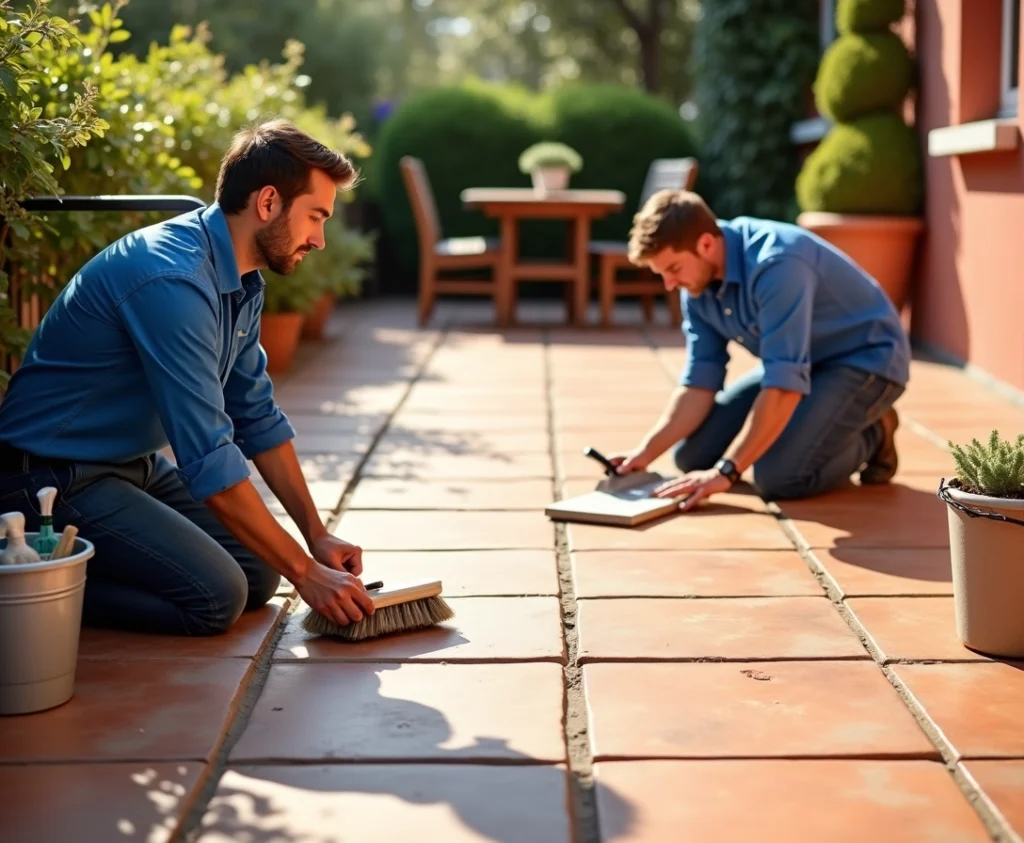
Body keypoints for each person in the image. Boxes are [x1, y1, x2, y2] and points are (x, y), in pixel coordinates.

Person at [0, 118, 376, 636]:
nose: (320, 239)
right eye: (315, 216)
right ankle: (27, 586)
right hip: (49, 475)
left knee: (259, 571)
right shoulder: (173, 279)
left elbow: (256, 415)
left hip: (128, 463)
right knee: (216, 596)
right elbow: (209, 455)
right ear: (268, 203)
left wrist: (314, 537)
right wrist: (308, 576)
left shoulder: (240, 279)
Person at [610, 189, 910, 510]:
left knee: (780, 477)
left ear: (706, 244)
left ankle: (874, 431)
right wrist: (643, 454)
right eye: (662, 274)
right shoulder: (696, 283)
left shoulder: (777, 264)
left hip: (866, 361)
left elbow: (784, 386)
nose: (669, 284)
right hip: (802, 363)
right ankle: (826, 415)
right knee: (692, 457)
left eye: (673, 269)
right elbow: (699, 383)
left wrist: (727, 471)